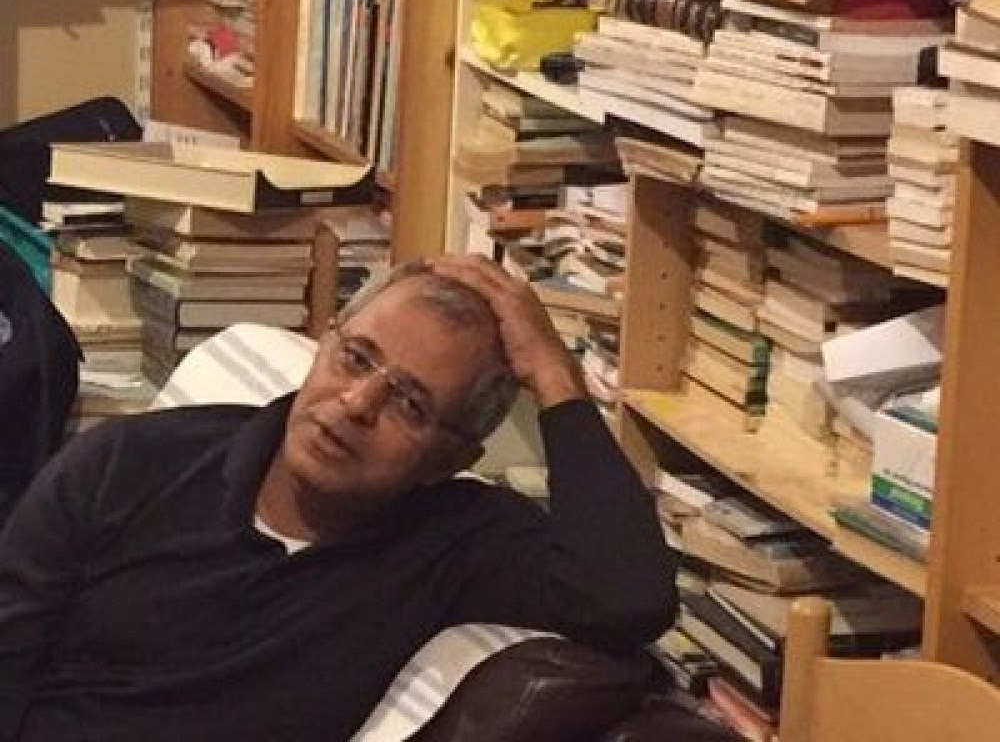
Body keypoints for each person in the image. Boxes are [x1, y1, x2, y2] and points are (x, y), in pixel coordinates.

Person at [0, 255, 676, 742]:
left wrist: (556, 376)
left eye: (409, 403)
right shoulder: (127, 463)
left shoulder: (454, 544)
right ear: (325, 340)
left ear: (451, 459)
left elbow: (627, 599)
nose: (356, 403)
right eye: (355, 357)